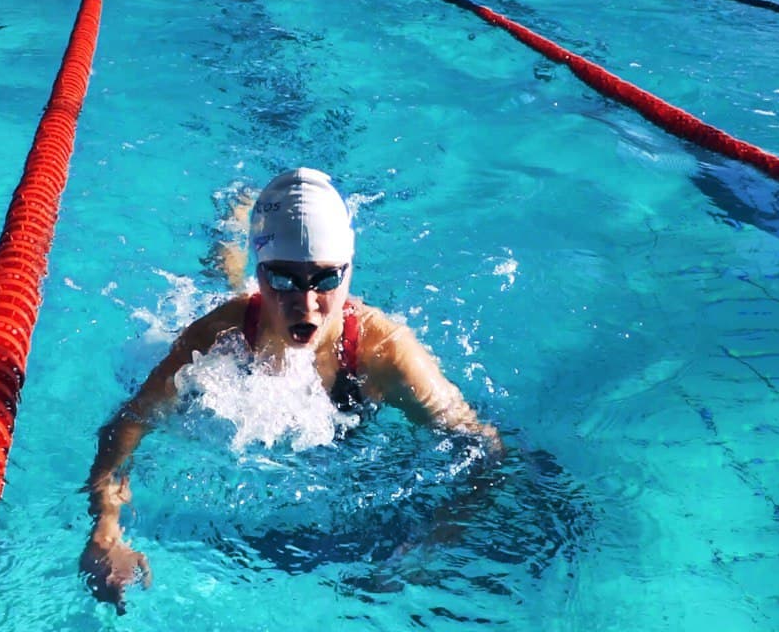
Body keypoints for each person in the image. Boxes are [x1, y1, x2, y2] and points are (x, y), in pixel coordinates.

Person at [79, 168, 502, 612]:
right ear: (262, 276)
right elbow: (132, 421)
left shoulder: (386, 351)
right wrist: (105, 531)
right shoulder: (220, 332)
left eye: (325, 280)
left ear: (349, 271)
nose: (306, 303)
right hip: (244, 316)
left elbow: (483, 446)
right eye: (282, 279)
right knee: (223, 285)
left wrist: (430, 545)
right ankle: (233, 223)